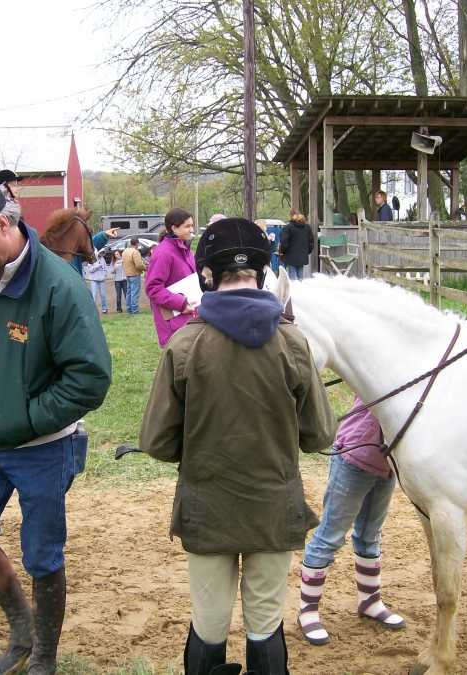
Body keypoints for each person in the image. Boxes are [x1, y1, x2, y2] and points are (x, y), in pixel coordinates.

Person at [139, 218, 336, 675]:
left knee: (209, 622)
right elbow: (319, 436)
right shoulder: (293, 342)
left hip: (207, 508)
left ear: (206, 274)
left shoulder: (185, 344)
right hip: (272, 506)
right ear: (264, 274)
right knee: (266, 621)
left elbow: (157, 441)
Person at [0, 185, 111, 675]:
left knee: (42, 554)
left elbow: (90, 377)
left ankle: (44, 658)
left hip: (43, 449)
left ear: (3, 224)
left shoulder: (60, 286)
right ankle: (22, 630)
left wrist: (30, 419)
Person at [297, 399, 405, 647]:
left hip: (387, 462)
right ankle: (308, 612)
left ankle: (370, 602)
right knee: (329, 536)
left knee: (370, 535)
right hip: (355, 456)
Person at [145, 208, 196, 347]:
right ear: (174, 228)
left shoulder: (186, 250)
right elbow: (152, 288)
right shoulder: (163, 253)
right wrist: (180, 303)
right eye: (187, 226)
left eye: (191, 225)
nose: (191, 230)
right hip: (175, 325)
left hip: (189, 319)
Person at [279, 209, 314, 281]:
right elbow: (311, 241)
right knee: (300, 275)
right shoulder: (307, 227)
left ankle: (292, 291)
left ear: (291, 216)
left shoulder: (288, 228)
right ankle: (301, 290)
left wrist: (283, 251)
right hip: (302, 255)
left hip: (291, 255)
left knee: (291, 275)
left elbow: (284, 242)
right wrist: (307, 251)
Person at [122, 237, 148, 315]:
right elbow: (138, 265)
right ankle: (135, 311)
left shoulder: (125, 251)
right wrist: (145, 267)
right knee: (134, 293)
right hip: (135, 274)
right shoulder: (135, 252)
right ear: (137, 243)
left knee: (129, 293)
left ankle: (129, 310)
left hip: (127, 274)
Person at [87, 250, 109, 314]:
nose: (101, 254)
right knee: (94, 295)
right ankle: (93, 309)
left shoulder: (103, 259)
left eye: (102, 253)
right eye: (100, 252)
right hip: (94, 279)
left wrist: (104, 274)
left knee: (102, 294)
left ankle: (104, 308)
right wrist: (96, 267)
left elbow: (105, 268)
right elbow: (90, 269)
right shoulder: (92, 259)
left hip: (101, 279)